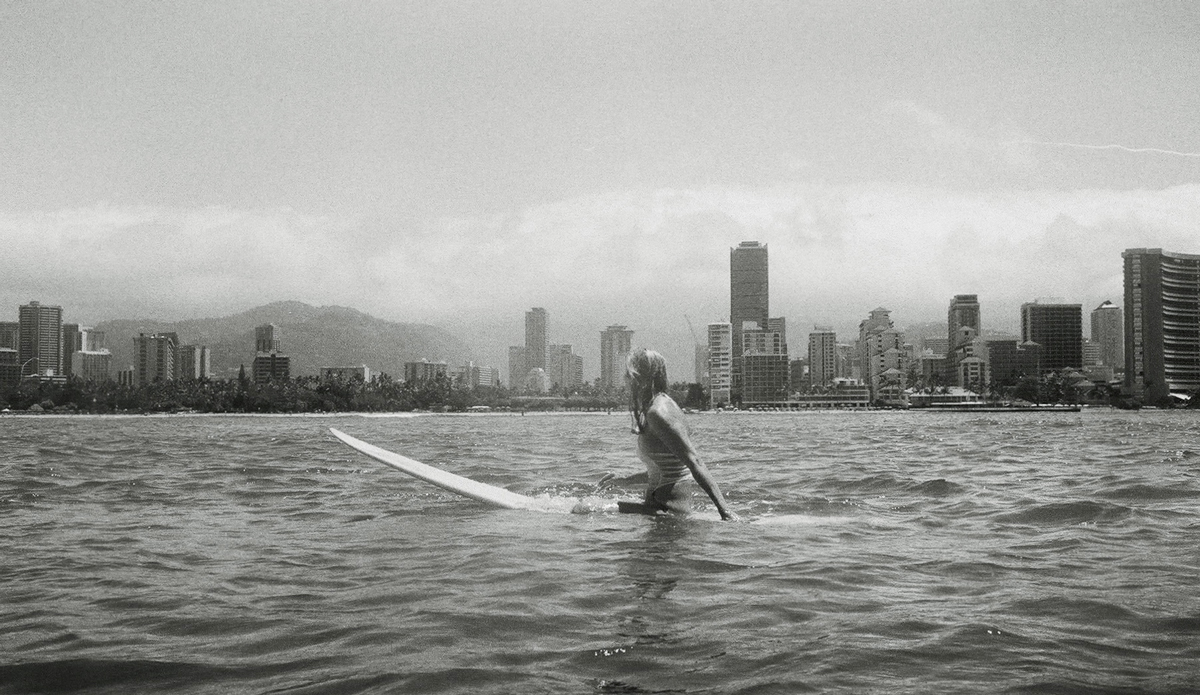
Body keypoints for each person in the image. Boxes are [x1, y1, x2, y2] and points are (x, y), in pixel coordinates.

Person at [618, 348, 737, 521]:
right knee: (592, 509)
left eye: (628, 374)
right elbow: (666, 468)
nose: (625, 379)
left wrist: (725, 512)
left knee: (588, 512)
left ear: (639, 377)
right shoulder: (659, 405)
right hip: (662, 508)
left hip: (666, 509)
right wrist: (625, 480)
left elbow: (694, 461)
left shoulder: (658, 412)